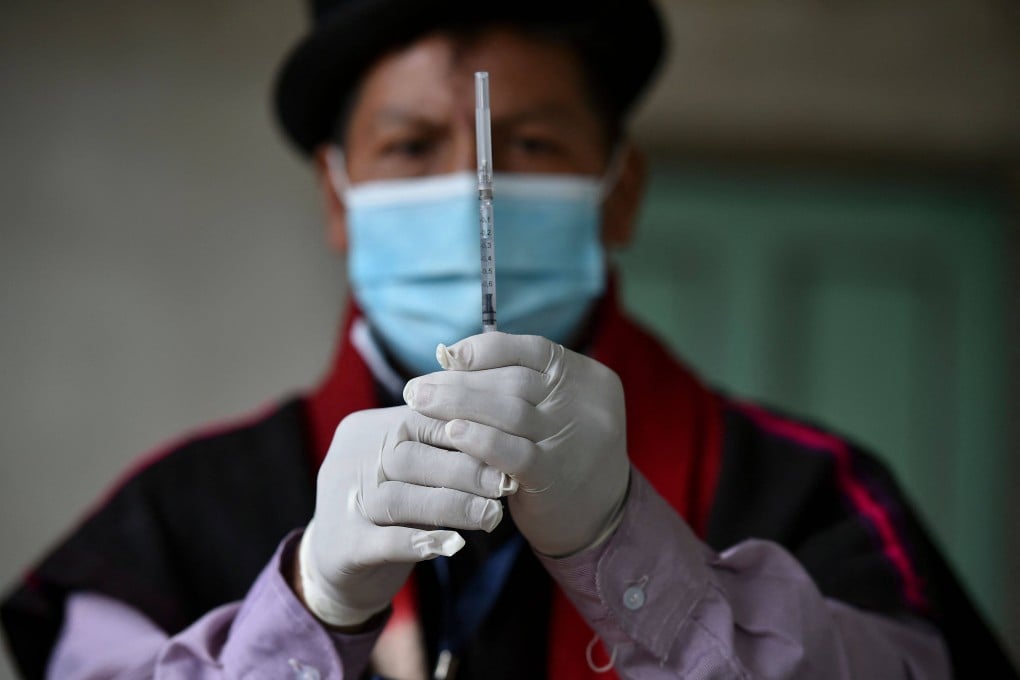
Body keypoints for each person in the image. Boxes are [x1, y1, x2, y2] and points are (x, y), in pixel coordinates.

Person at [2, 0, 1017, 678]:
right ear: (337, 196)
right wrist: (312, 603)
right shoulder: (179, 511)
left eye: (529, 145)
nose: (471, 195)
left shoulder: (810, 490)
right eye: (408, 146)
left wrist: (628, 547)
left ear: (618, 192)